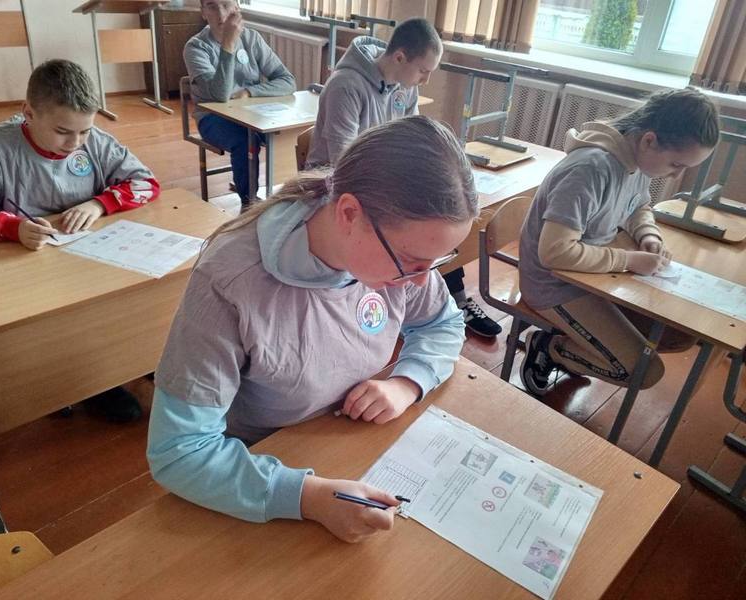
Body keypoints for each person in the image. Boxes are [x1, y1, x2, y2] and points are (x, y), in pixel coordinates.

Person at [148, 115, 476, 543]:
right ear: (349, 213)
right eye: (413, 263)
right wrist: (308, 498)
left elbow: (443, 321)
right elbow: (179, 452)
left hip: (348, 442)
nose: (420, 281)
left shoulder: (400, 255)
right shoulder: (230, 279)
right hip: (261, 466)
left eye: (437, 263)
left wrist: (407, 383)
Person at [0, 58, 160, 422]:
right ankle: (74, 382)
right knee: (53, 322)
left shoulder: (94, 143)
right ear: (28, 113)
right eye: (63, 131)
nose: (75, 143)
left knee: (122, 301)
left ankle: (113, 369)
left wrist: (99, 203)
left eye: (85, 131)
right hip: (24, 267)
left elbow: (146, 183)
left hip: (89, 259)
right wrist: (12, 228)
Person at [306, 17, 501, 338]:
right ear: (399, 57)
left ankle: (452, 300)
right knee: (416, 224)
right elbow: (342, 162)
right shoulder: (345, 85)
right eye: (423, 71)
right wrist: (398, 190)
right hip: (333, 185)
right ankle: (395, 309)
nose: (426, 80)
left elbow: (414, 144)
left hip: (384, 180)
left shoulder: (405, 88)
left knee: (436, 216)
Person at [517, 87, 719, 396]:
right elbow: (555, 253)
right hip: (554, 284)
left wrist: (647, 234)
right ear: (649, 140)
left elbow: (639, 205)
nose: (676, 177)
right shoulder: (590, 169)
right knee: (642, 372)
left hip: (594, 274)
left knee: (678, 336)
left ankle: (585, 345)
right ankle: (551, 347)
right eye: (676, 165)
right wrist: (629, 260)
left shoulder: (636, 158)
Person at [184, 0, 296, 205]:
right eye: (212, 6)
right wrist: (228, 44)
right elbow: (220, 95)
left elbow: (287, 81)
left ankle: (292, 193)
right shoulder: (196, 47)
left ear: (237, 8)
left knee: (287, 132)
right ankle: (249, 200)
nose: (221, 14)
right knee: (244, 141)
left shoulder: (252, 38)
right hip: (212, 118)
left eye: (226, 5)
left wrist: (249, 91)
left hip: (251, 113)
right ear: (203, 12)